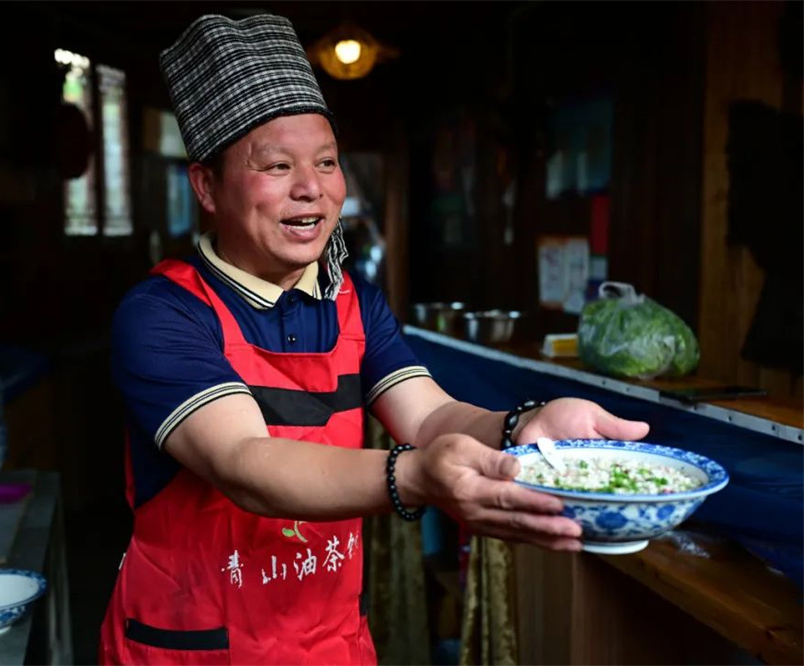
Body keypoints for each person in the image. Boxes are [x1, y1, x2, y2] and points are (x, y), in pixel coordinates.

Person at [98, 13, 650, 666]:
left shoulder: (353, 302)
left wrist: (522, 426)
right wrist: (414, 476)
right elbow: (246, 461)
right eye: (277, 165)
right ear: (207, 186)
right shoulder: (163, 313)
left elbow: (432, 416)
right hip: (195, 651)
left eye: (327, 162)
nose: (312, 188)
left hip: (331, 643)